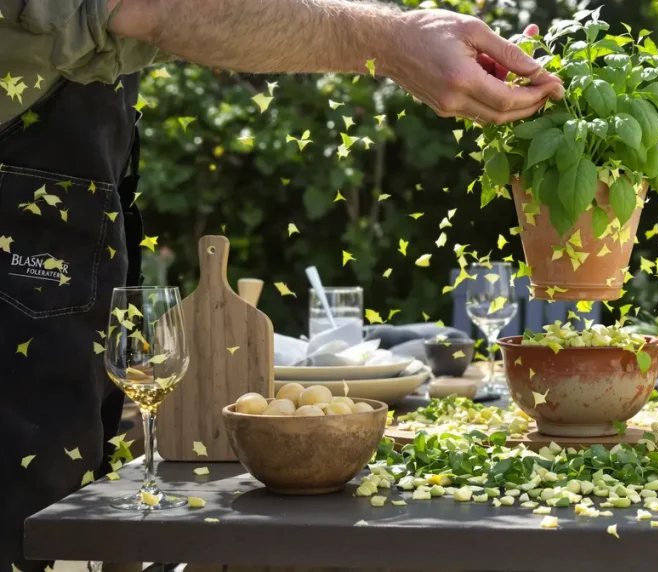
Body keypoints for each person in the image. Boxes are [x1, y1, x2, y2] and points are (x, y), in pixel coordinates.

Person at [0, 0, 562, 568]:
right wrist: (393, 40)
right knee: (30, 526)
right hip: (17, 192)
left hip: (69, 190)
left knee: (65, 517)